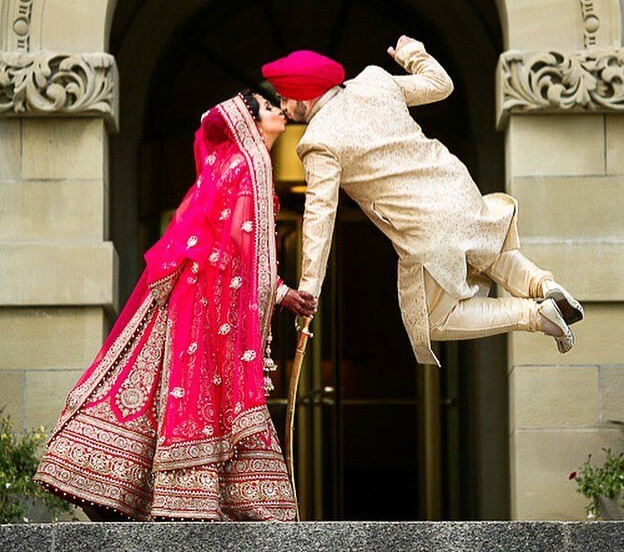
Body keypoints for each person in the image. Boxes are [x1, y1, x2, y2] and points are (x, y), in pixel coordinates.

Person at [34, 91, 316, 521]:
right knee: (196, 390)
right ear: (253, 122)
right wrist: (280, 294)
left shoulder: (229, 165)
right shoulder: (251, 165)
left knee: (158, 383)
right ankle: (208, 498)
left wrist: (278, 292)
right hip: (207, 303)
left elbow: (238, 244)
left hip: (196, 297)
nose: (279, 111)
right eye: (269, 107)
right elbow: (244, 245)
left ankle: (122, 480)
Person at [261, 36, 584, 368]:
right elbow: (440, 85)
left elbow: (320, 219)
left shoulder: (318, 141)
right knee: (489, 251)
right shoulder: (375, 81)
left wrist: (308, 291)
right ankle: (544, 284)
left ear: (304, 92)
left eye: (285, 98)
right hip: (456, 187)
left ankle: (534, 314)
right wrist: (412, 54)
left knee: (435, 321)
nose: (284, 107)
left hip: (423, 226)